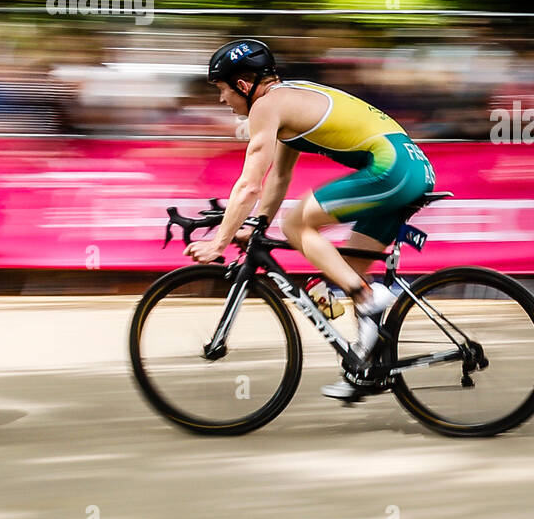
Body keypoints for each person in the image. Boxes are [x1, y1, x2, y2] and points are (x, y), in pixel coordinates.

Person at [185, 39, 436, 400]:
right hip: (411, 166)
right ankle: (367, 371)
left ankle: (368, 297)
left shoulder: (267, 106)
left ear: (243, 84)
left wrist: (218, 242)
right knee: (348, 270)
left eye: (223, 90)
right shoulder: (288, 99)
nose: (222, 100)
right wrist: (256, 225)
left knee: (297, 225)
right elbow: (277, 178)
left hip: (393, 168)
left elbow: (250, 183)